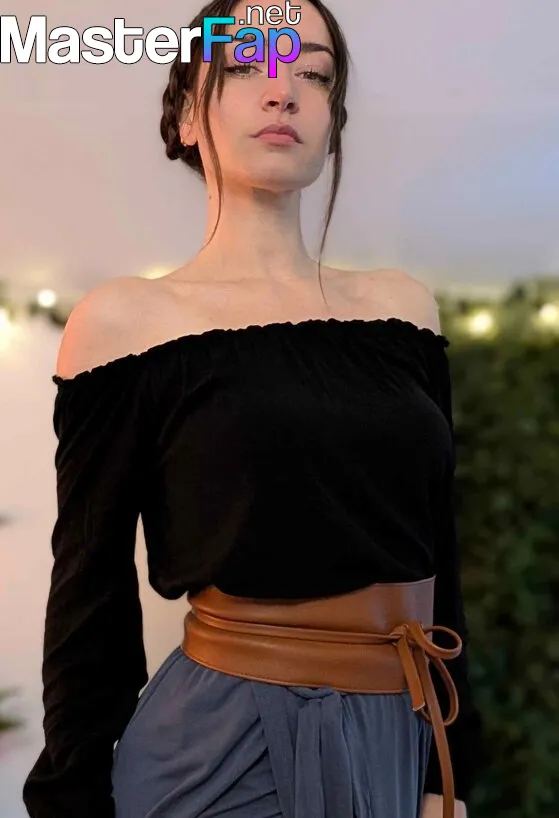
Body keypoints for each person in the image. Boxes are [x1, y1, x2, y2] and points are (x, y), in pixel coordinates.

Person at [22, 1, 483, 817]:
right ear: (186, 114)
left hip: (396, 726)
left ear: (332, 123)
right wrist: (74, 797)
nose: (283, 91)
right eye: (245, 66)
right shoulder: (128, 321)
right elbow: (89, 587)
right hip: (222, 742)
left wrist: (445, 775)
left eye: (314, 73)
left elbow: (436, 547)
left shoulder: (403, 310)